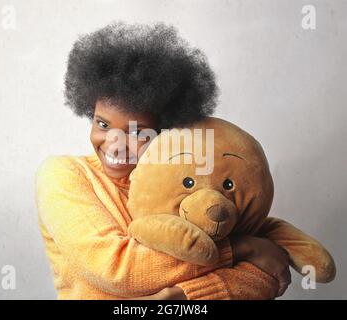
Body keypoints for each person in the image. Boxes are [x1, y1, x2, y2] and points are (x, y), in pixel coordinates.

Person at [35, 22, 291, 300]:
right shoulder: (63, 175)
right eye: (103, 124)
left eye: (135, 132)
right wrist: (240, 249)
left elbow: (268, 277)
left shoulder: (186, 184)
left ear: (163, 131)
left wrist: (181, 296)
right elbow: (117, 270)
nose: (114, 143)